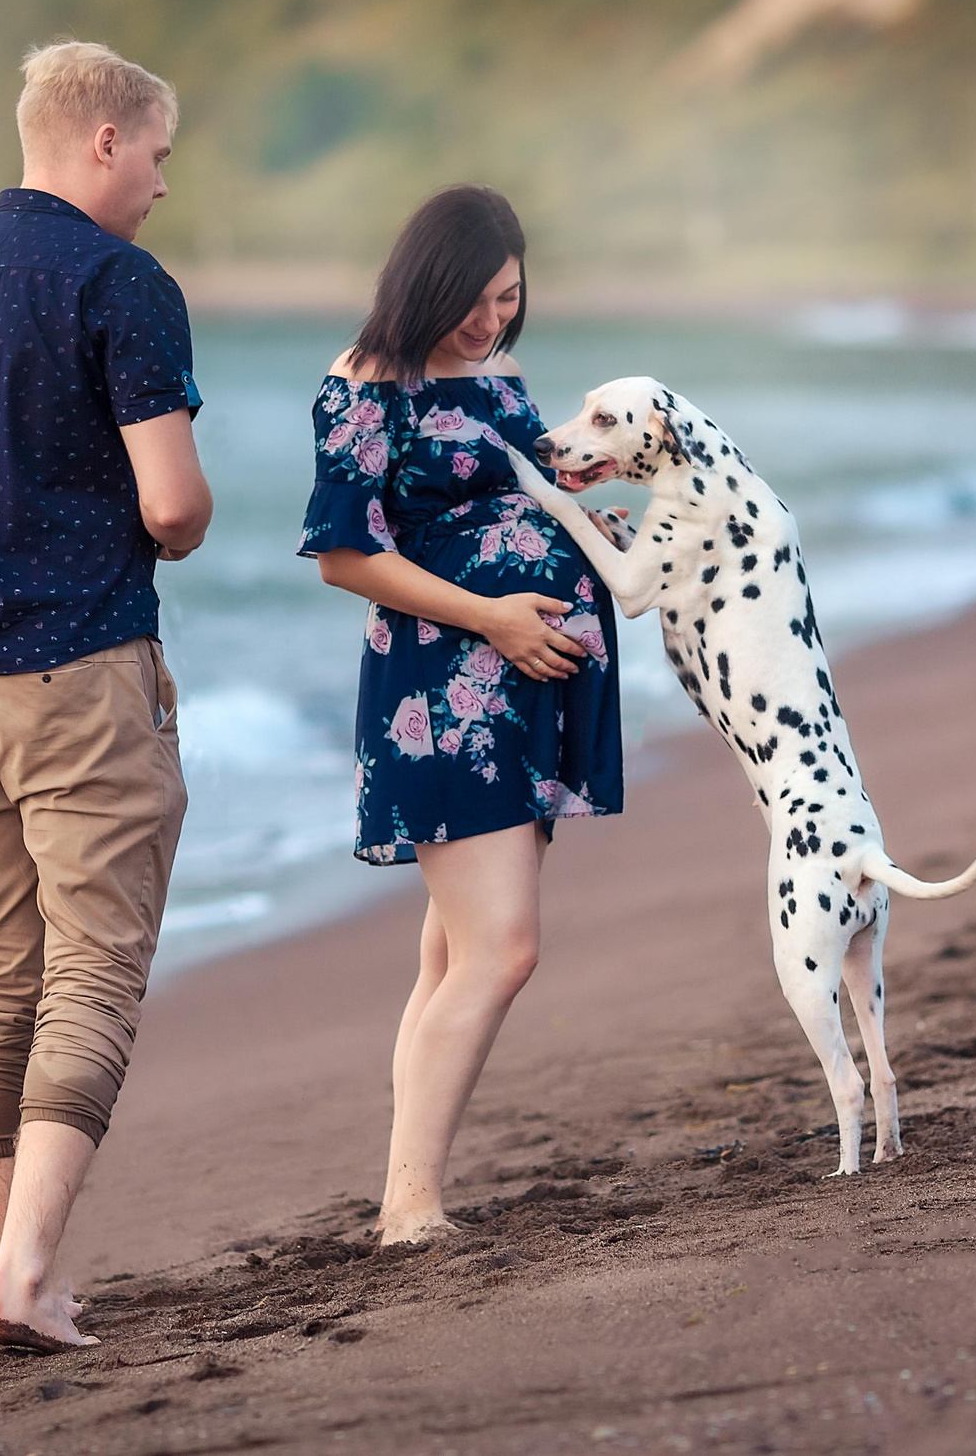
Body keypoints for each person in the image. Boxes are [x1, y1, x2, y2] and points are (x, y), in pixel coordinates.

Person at [0, 40, 211, 1351]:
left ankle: (4, 1267)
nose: (165, 186)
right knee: (96, 969)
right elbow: (172, 502)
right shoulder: (125, 286)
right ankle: (23, 1278)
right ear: (105, 142)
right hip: (80, 662)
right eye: (161, 156)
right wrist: (175, 528)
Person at [298, 184, 624, 1246]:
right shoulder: (359, 390)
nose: (490, 321)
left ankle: (408, 1187)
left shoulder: (501, 378)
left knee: (451, 959)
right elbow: (346, 556)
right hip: (443, 696)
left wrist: (590, 525)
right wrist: (494, 616)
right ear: (426, 280)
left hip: (527, 687)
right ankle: (408, 1206)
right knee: (503, 949)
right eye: (475, 299)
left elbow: (534, 493)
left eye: (509, 299)